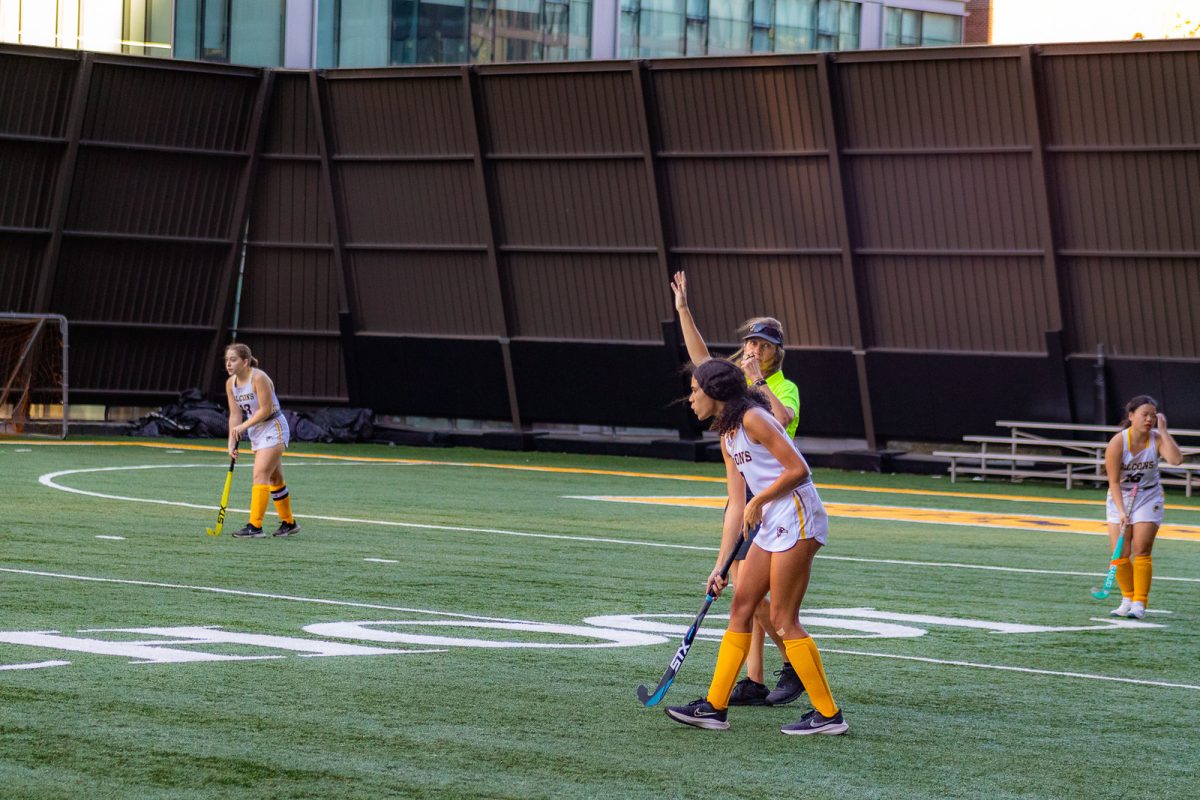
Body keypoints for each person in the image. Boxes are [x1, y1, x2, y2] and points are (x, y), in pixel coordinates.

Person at [664, 359, 847, 735]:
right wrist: (719, 566)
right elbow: (735, 505)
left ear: (715, 392)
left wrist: (758, 500)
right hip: (771, 519)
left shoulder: (753, 419)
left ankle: (829, 715)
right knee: (741, 606)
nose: (691, 398)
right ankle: (715, 707)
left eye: (696, 390)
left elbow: (799, 469)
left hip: (797, 515)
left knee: (783, 619)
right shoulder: (728, 436)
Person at [670, 270, 805, 707]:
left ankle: (791, 670)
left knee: (762, 604)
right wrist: (684, 311)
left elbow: (781, 420)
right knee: (747, 599)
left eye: (764, 345)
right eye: (751, 342)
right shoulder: (730, 386)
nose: (754, 350)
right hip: (747, 501)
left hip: (776, 504)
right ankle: (754, 679)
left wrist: (757, 381)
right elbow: (703, 363)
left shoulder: (781, 388)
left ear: (777, 353)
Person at [1103, 395, 1181, 619]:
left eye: (1153, 416)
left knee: (1142, 550)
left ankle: (1140, 603)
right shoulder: (1118, 442)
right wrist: (1121, 511)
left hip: (1149, 496)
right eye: (1144, 415)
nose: (1150, 419)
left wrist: (1164, 432)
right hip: (1121, 496)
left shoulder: (1156, 439)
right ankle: (1127, 598)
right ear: (1131, 416)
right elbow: (1114, 482)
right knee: (1121, 552)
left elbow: (1176, 461)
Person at [224, 343, 300, 538]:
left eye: (233, 360)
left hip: (273, 426)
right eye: (227, 360)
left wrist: (243, 427)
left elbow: (266, 409)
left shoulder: (258, 377)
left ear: (245, 361)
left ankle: (255, 526)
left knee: (260, 474)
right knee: (275, 478)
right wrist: (231, 442)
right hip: (256, 430)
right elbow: (235, 415)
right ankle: (289, 523)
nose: (229, 364)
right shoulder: (230, 384)